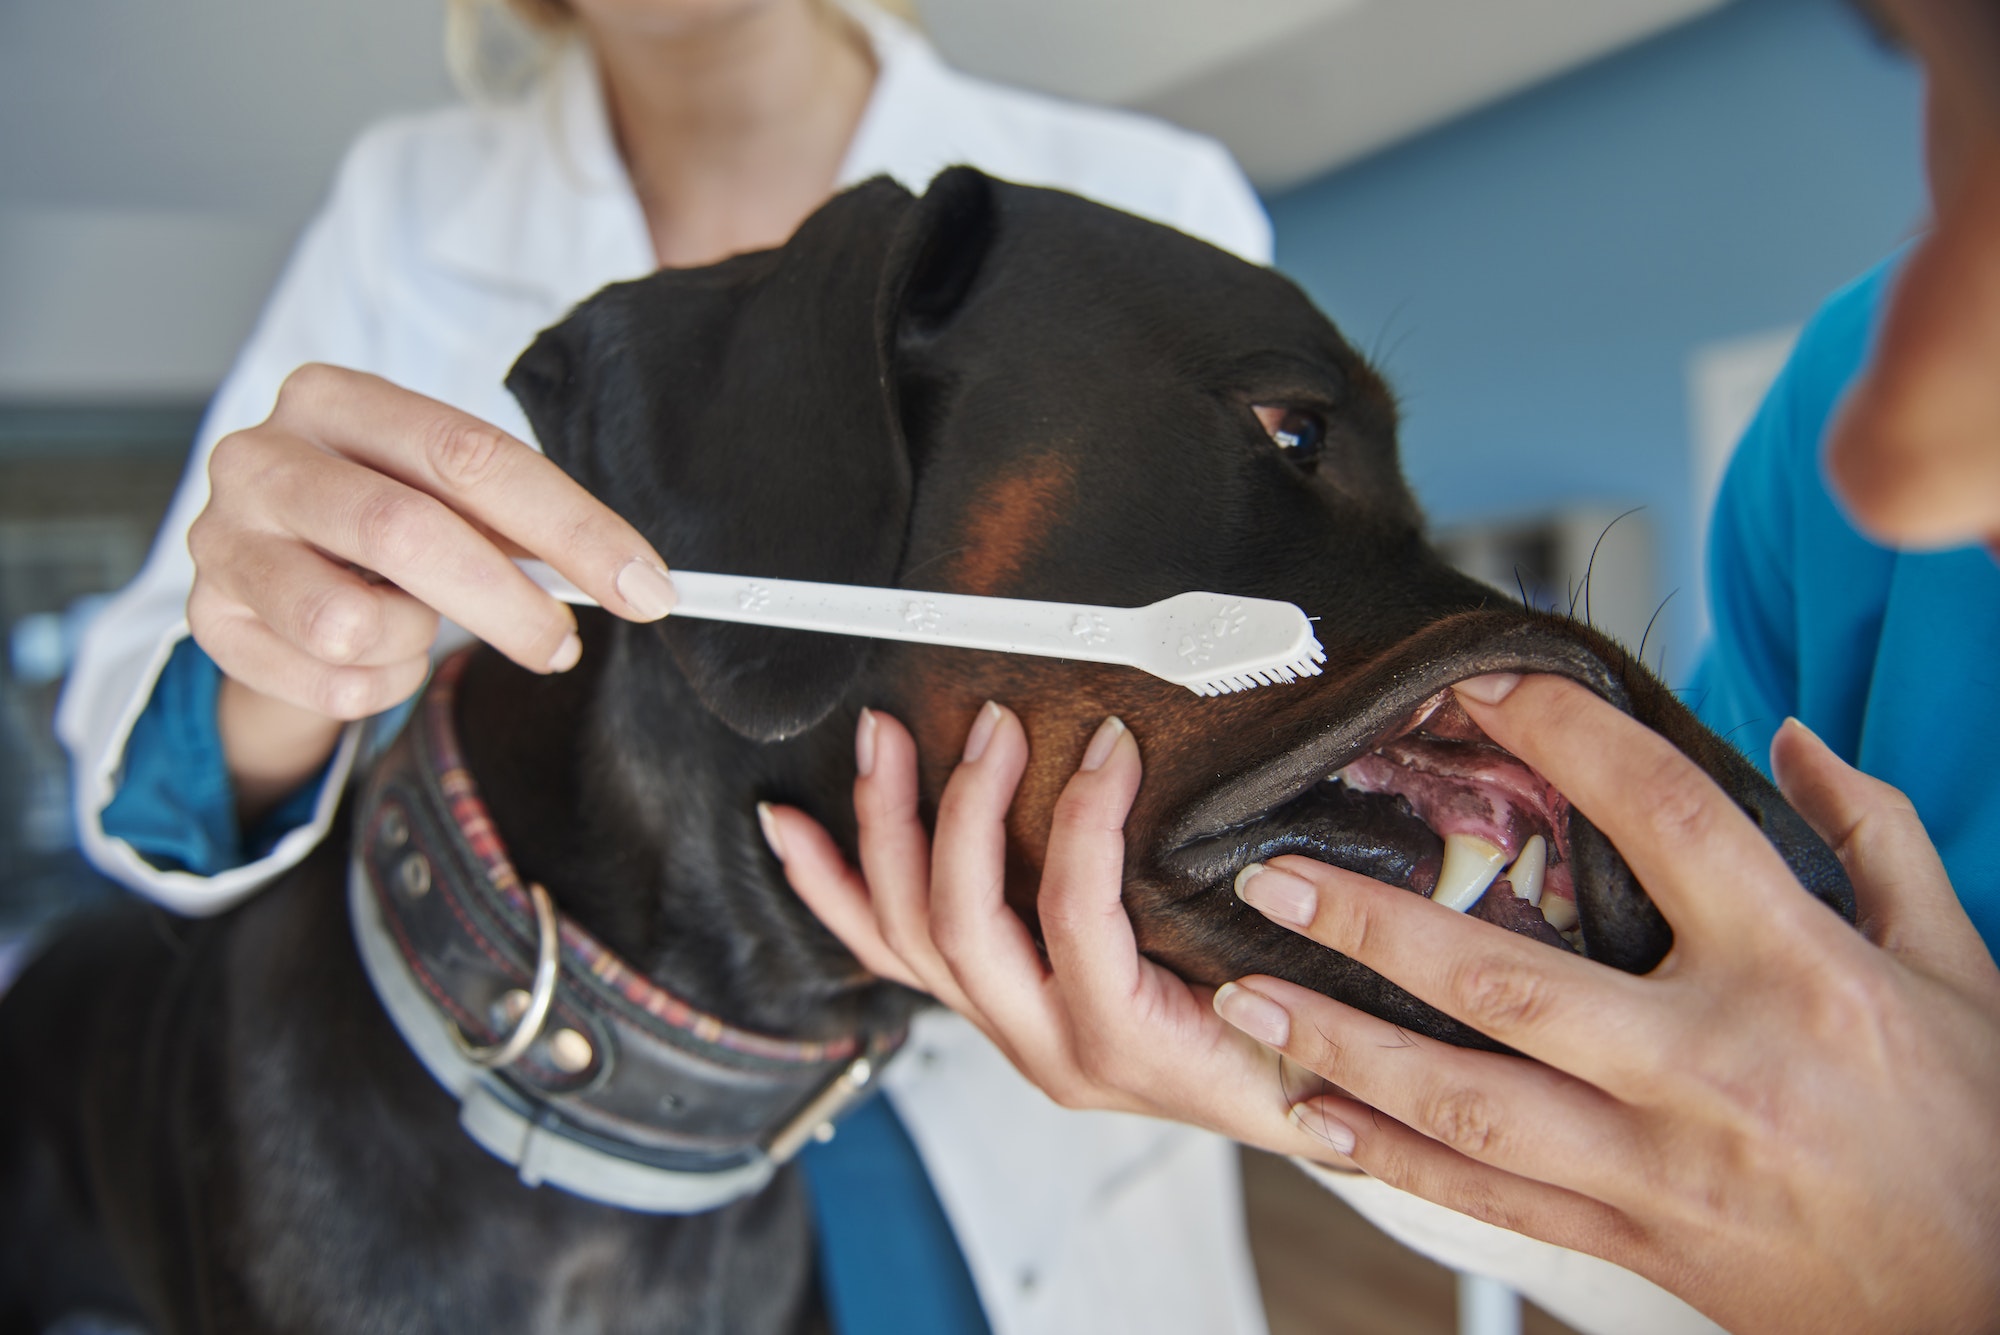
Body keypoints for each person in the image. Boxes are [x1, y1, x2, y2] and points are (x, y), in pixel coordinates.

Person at [761, 0, 2000, 1331]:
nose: (1888, 460)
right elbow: (1736, 1200)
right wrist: (1320, 1097)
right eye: (1927, 68)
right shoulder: (1827, 453)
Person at [53, 2, 1279, 1332]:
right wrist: (290, 656)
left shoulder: (1151, 200)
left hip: (1003, 1188)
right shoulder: (404, 211)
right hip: (541, 1191)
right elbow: (136, 791)